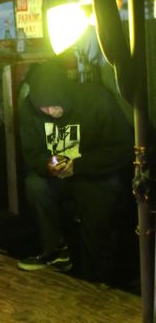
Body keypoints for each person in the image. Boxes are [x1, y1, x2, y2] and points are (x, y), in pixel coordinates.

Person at [17, 59, 134, 283]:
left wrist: (78, 166)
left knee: (98, 199)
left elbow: (122, 148)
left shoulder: (95, 99)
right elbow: (31, 154)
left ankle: (99, 277)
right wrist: (48, 165)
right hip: (57, 176)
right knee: (35, 185)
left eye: (55, 106)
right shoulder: (28, 108)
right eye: (44, 108)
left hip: (95, 174)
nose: (50, 112)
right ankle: (54, 251)